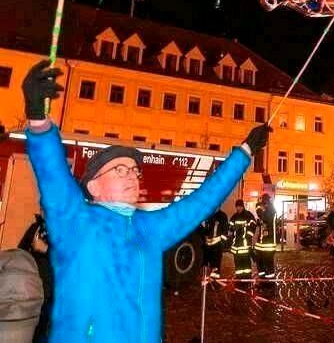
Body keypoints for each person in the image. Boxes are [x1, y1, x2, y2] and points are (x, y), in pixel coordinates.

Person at [21, 60, 268, 342]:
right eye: (120, 170)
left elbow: (203, 201)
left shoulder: (149, 227)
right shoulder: (75, 222)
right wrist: (38, 118)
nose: (133, 176)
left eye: (135, 171)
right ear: (93, 185)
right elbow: (52, 173)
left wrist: (245, 152)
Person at [18, 215, 52, 343]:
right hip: (29, 287)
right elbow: (20, 252)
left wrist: (46, 250)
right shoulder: (35, 227)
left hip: (49, 293)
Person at [230, 199, 258, 278]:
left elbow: (253, 226)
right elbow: (230, 228)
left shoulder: (248, 215)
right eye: (237, 207)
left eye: (239, 206)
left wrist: (248, 236)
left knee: (246, 263)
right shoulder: (234, 216)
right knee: (238, 263)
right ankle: (239, 278)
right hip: (236, 246)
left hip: (245, 245)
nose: (238, 208)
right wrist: (233, 229)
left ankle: (247, 277)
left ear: (242, 206)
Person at [254, 193, 278, 279]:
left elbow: (265, 219)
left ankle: (269, 278)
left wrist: (259, 209)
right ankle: (262, 276)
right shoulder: (265, 210)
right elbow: (261, 221)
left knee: (268, 260)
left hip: (269, 242)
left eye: (264, 202)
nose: (263, 204)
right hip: (261, 242)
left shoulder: (271, 211)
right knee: (259, 260)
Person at [201, 208, 229, 279]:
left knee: (216, 264)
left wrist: (222, 241)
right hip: (208, 244)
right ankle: (208, 279)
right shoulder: (209, 215)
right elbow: (206, 229)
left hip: (217, 244)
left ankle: (215, 281)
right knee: (208, 262)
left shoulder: (222, 216)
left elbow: (225, 230)